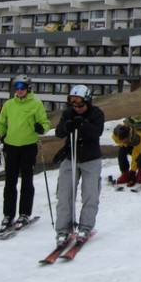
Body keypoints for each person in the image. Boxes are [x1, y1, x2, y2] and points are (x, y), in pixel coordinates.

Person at [0, 75, 51, 230]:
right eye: (16, 88)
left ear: (28, 88)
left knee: (26, 180)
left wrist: (41, 128)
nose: (19, 91)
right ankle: (8, 214)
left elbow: (45, 123)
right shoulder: (9, 104)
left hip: (28, 147)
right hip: (11, 146)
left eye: (22, 88)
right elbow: (3, 124)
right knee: (10, 182)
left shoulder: (36, 104)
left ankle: (24, 212)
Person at [53, 84, 104, 246]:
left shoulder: (96, 113)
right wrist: (66, 127)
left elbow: (97, 132)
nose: (76, 107)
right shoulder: (68, 113)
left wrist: (82, 124)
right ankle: (63, 230)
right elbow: (59, 132)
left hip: (91, 159)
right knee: (64, 194)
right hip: (70, 157)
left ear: (87, 101)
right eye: (73, 104)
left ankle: (86, 226)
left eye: (80, 104)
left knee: (90, 194)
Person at [112, 116, 141, 186]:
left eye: (126, 141)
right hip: (127, 140)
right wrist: (124, 144)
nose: (125, 143)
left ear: (129, 136)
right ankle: (125, 173)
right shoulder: (116, 135)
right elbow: (118, 141)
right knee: (121, 153)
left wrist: (133, 172)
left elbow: (136, 155)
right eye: (123, 141)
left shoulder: (137, 138)